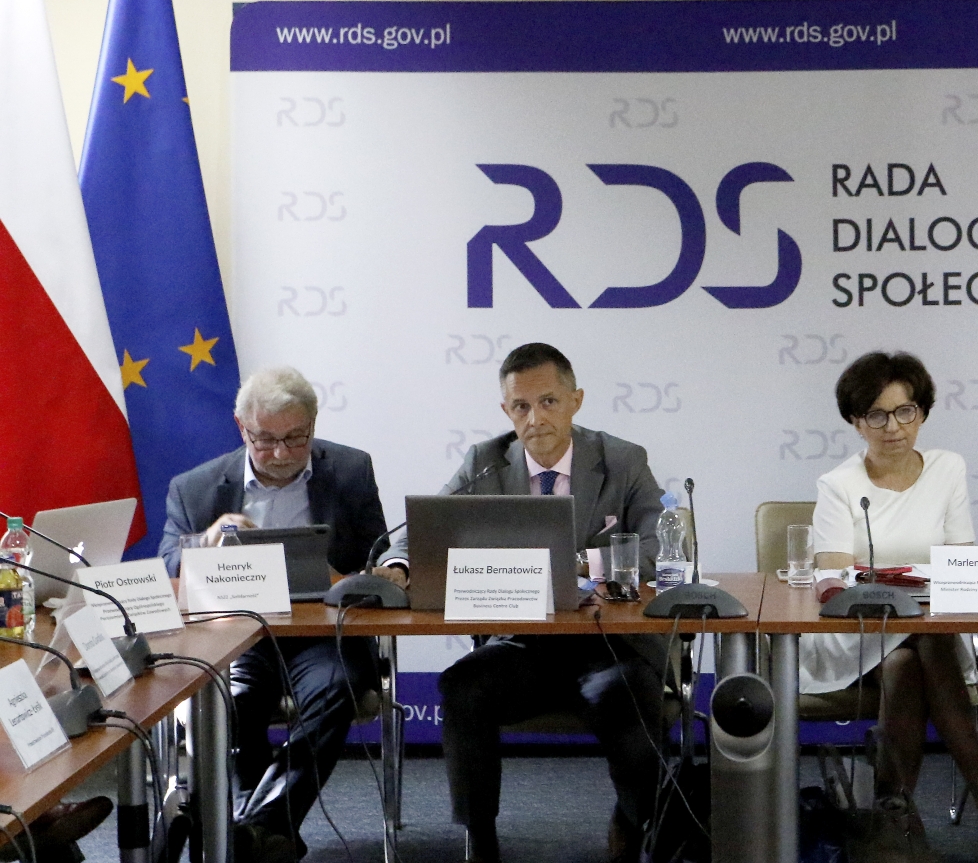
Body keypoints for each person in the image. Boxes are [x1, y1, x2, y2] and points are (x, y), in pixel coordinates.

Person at [376, 342, 667, 863]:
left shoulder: (623, 460)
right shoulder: (485, 462)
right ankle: (480, 839)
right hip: (525, 647)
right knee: (463, 686)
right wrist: (398, 565)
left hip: (609, 645)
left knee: (629, 694)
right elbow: (422, 529)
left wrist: (581, 564)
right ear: (506, 411)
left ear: (576, 400)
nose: (535, 419)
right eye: (521, 406)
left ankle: (634, 820)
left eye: (549, 402)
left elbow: (658, 545)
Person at [160, 367, 387, 863]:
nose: (281, 453)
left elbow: (379, 558)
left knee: (337, 689)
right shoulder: (196, 488)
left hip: (325, 637)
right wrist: (204, 543)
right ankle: (265, 830)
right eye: (266, 440)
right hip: (238, 636)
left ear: (313, 425)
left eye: (295, 438)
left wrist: (347, 577)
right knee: (233, 701)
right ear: (242, 428)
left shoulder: (350, 470)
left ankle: (254, 826)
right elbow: (168, 569)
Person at [804, 350, 978, 836]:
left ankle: (893, 818)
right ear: (856, 422)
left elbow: (962, 561)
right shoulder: (838, 484)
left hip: (923, 630)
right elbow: (832, 577)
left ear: (923, 413)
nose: (893, 427)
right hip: (855, 631)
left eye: (905, 411)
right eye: (877, 415)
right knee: (923, 639)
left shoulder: (947, 468)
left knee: (906, 662)